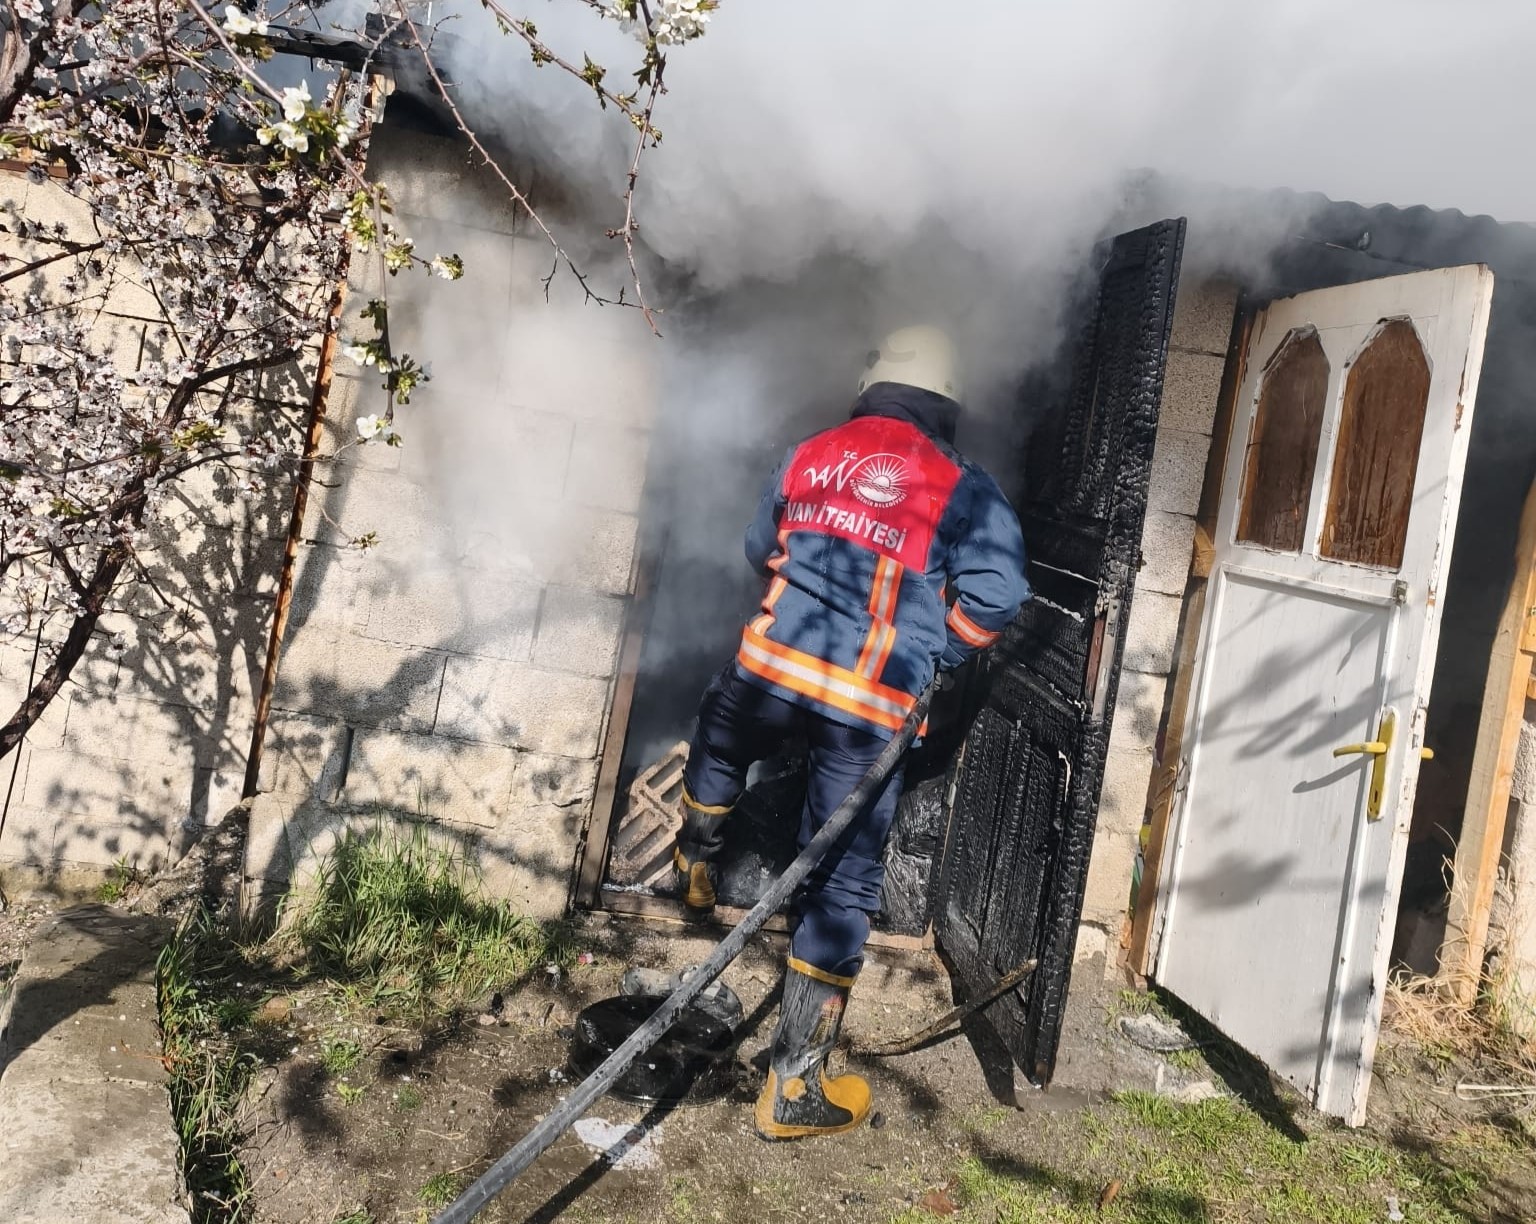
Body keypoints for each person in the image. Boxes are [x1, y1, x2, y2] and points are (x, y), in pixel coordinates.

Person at [671, 325, 1030, 1140]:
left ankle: (694, 863)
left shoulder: (810, 451)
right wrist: (939, 647)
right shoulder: (963, 485)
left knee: (721, 740)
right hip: (867, 707)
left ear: (874, 387)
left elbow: (759, 546)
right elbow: (998, 596)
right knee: (841, 884)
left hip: (770, 669)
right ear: (947, 403)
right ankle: (793, 1088)